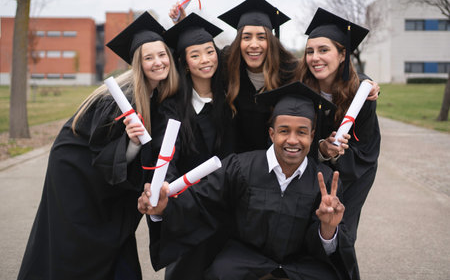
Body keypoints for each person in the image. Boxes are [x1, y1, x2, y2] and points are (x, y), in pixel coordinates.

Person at [139, 81, 359, 280]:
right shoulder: (240, 167)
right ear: (272, 134)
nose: (292, 140)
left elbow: (329, 249)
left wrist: (328, 229)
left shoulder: (325, 180)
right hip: (246, 260)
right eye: (284, 131)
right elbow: (200, 201)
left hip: (300, 265)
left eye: (302, 132)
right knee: (221, 273)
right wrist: (164, 208)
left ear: (312, 136)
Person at [17, 11, 179, 280]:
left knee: (115, 241)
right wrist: (132, 143)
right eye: (148, 57)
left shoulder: (154, 93)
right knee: (77, 246)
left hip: (106, 178)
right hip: (77, 176)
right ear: (138, 63)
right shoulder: (119, 98)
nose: (158, 62)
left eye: (162, 55)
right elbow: (101, 151)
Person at [300, 7, 381, 279]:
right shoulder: (301, 89)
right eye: (310, 51)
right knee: (304, 233)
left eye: (323, 50)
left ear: (343, 54)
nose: (314, 58)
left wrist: (339, 156)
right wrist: (322, 149)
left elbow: (368, 150)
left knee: (340, 234)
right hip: (310, 172)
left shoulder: (363, 97)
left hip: (353, 177)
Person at [155, 12, 235, 279]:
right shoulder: (173, 107)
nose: (205, 60)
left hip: (229, 208)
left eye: (209, 51)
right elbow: (167, 156)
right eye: (195, 54)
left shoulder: (231, 98)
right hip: (191, 210)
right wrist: (168, 190)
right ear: (185, 63)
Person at [218, 0, 302, 153]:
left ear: (271, 41)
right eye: (247, 37)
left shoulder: (289, 70)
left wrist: (363, 80)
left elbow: (322, 73)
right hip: (236, 161)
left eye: (261, 37)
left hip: (279, 160)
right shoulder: (227, 64)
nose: (254, 44)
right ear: (239, 42)